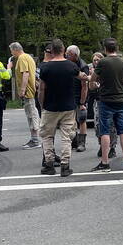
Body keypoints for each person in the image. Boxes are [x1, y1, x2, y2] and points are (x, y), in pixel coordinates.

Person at [37, 38, 86, 177]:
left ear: (51, 51)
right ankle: (65, 166)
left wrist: (42, 104)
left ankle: (49, 164)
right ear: (64, 50)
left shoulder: (45, 67)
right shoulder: (71, 66)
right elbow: (82, 77)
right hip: (68, 106)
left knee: (47, 136)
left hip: (50, 106)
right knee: (66, 137)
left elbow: (41, 89)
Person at [92, 37, 123, 171]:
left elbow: (93, 78)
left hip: (106, 100)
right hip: (121, 100)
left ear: (105, 49)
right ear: (117, 48)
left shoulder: (103, 62)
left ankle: (105, 163)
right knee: (122, 131)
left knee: (105, 131)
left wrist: (93, 84)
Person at [10, 42, 40, 148]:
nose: (11, 53)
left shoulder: (22, 58)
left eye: (11, 51)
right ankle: (34, 139)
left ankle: (35, 140)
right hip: (31, 90)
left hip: (28, 91)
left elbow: (26, 74)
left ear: (15, 50)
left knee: (31, 114)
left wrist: (22, 90)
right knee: (31, 113)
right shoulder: (28, 57)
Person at [88, 52, 118, 159]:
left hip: (108, 100)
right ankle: (102, 145)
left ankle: (112, 147)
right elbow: (91, 88)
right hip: (97, 101)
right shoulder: (93, 71)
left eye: (98, 60)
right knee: (98, 125)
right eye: (94, 60)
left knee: (111, 125)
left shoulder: (107, 70)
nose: (96, 62)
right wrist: (92, 79)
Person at [65, 45, 89, 152]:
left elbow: (85, 86)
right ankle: (74, 141)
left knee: (82, 119)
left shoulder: (83, 66)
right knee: (70, 121)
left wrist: (82, 102)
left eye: (68, 54)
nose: (66, 55)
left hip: (79, 97)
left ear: (74, 55)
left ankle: (82, 143)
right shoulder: (66, 63)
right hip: (69, 96)